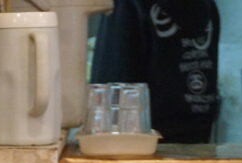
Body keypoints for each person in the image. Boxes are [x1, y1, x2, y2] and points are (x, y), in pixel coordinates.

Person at [91, 0, 220, 144]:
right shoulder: (208, 5)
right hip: (197, 134)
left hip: (137, 139)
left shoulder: (125, 4)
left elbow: (112, 82)